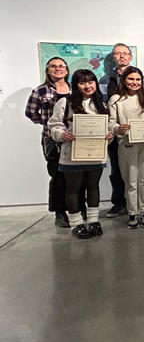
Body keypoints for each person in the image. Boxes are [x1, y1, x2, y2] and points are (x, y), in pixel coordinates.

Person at [48, 69, 114, 239]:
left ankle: (93, 221)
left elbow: (107, 128)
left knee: (93, 187)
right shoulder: (65, 102)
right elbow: (54, 125)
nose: (87, 86)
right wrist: (62, 134)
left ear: (95, 84)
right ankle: (76, 223)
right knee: (73, 189)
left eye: (91, 82)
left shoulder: (101, 104)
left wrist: (109, 136)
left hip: (95, 154)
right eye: (82, 82)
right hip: (72, 155)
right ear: (76, 84)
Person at [108, 66, 144, 229]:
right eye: (131, 79)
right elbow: (111, 122)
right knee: (131, 180)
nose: (134, 82)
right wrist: (119, 128)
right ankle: (132, 213)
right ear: (124, 80)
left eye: (138, 80)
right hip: (127, 144)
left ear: (142, 81)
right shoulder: (116, 100)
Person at [100, 43, 144, 218]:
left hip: (143, 137)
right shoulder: (105, 81)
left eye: (125, 53)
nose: (121, 56)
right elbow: (103, 107)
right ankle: (120, 203)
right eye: (118, 54)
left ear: (130, 56)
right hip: (119, 136)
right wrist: (113, 128)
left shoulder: (143, 80)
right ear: (113, 57)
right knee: (118, 171)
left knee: (142, 174)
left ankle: (141, 209)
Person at [25, 57, 72, 227]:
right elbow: (31, 113)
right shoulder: (40, 91)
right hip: (52, 140)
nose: (58, 69)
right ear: (48, 70)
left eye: (61, 66)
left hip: (74, 139)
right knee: (58, 176)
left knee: (75, 176)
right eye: (53, 66)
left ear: (66, 71)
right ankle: (60, 212)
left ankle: (76, 209)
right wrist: (48, 125)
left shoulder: (75, 89)